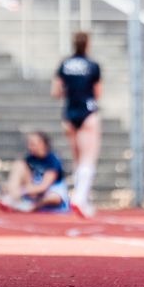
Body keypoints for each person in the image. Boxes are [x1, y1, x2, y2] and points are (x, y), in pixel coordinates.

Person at [51, 32, 101, 217]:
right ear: (87, 44)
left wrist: (70, 91)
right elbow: (98, 92)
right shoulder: (93, 65)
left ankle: (82, 198)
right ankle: (80, 197)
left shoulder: (65, 64)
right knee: (89, 158)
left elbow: (55, 91)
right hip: (88, 112)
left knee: (77, 159)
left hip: (69, 112)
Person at [0, 131, 68, 212]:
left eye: (32, 144)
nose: (29, 147)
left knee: (54, 197)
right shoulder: (29, 159)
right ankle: (13, 199)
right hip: (34, 190)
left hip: (49, 191)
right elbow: (24, 177)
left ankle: (32, 205)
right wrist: (13, 187)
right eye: (29, 144)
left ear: (42, 144)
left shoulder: (53, 160)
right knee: (19, 164)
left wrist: (22, 191)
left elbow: (44, 186)